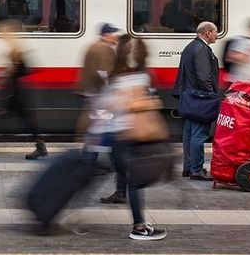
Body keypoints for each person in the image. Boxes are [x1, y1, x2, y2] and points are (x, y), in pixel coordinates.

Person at [89, 35, 168, 240]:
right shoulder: (143, 77)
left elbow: (104, 106)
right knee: (134, 181)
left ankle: (138, 224)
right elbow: (144, 103)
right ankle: (139, 228)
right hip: (133, 137)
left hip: (119, 135)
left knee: (128, 179)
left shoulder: (114, 77)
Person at [0, 20, 46, 160]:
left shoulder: (15, 50)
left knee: (26, 120)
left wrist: (6, 77)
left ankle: (40, 147)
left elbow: (19, 70)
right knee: (25, 119)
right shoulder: (16, 49)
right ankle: (40, 147)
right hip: (19, 90)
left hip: (20, 92)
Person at [174, 21, 219, 181]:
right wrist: (211, 96)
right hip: (200, 98)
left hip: (190, 97)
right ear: (207, 33)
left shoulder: (191, 46)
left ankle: (188, 167)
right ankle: (197, 169)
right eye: (215, 32)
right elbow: (204, 76)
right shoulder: (201, 49)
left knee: (189, 133)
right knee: (199, 134)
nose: (216, 35)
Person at [76, 23, 120, 137]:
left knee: (95, 123)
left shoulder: (97, 46)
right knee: (98, 125)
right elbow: (104, 72)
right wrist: (111, 90)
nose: (116, 37)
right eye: (114, 34)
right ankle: (90, 150)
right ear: (106, 35)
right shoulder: (103, 49)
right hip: (97, 92)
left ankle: (90, 148)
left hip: (92, 91)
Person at [224, 18, 250, 84]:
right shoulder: (243, 41)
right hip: (239, 82)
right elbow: (230, 56)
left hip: (249, 82)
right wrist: (248, 53)